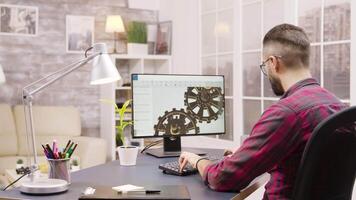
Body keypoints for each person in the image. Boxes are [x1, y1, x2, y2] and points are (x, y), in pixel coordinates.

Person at [179, 24, 347, 199]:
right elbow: (304, 162)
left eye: (264, 65)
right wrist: (248, 152)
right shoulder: (338, 107)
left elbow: (223, 178)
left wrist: (197, 160)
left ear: (273, 63)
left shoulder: (285, 113)